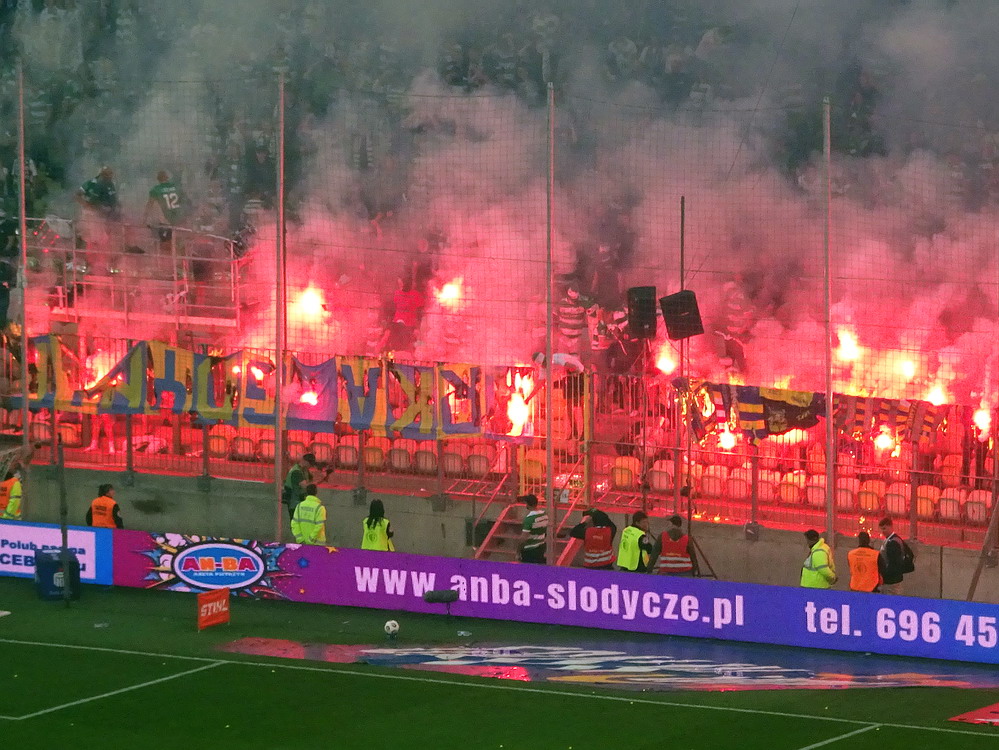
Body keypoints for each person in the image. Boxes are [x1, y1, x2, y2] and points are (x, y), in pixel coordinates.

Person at [144, 170, 186, 253]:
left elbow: (149, 205)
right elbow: (183, 200)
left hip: (165, 221)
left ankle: (163, 257)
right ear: (167, 178)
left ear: (158, 179)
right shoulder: (175, 187)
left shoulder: (156, 190)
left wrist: (144, 219)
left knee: (163, 243)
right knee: (177, 242)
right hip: (177, 219)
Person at [878, 517, 911, 595]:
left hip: (891, 581)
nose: (883, 531)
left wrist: (885, 575)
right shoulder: (896, 539)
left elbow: (893, 563)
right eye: (881, 529)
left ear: (891, 527)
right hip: (894, 578)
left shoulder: (892, 543)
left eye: (884, 528)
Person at [282, 452, 316, 520]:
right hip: (295, 503)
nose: (310, 466)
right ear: (305, 462)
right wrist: (319, 480)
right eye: (310, 464)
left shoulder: (303, 470)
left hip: (299, 502)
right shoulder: (296, 472)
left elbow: (310, 480)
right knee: (296, 523)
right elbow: (305, 486)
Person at [519, 493, 548, 564]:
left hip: (530, 549)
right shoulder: (544, 515)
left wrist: (518, 550)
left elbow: (523, 537)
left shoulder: (529, 519)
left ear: (527, 504)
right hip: (541, 546)